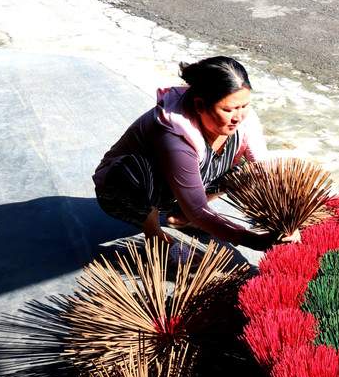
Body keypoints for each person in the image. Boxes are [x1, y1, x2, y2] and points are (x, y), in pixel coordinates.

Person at [93, 55, 275, 254]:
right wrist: (253, 241)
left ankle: (181, 216)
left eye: (244, 106)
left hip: (180, 187)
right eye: (228, 109)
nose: (238, 117)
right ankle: (157, 239)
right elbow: (198, 210)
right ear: (199, 106)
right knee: (130, 172)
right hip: (130, 188)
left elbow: (263, 171)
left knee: (243, 171)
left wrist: (282, 219)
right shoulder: (174, 132)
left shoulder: (243, 119)